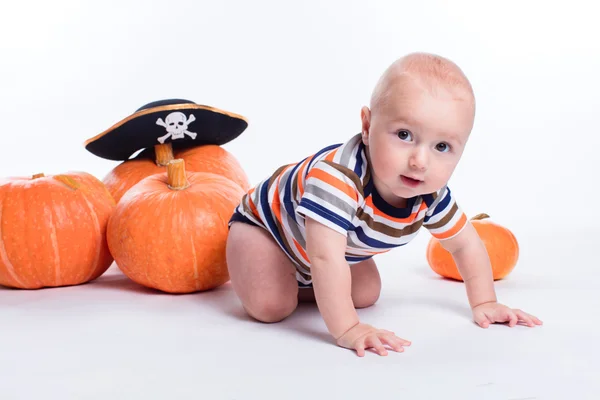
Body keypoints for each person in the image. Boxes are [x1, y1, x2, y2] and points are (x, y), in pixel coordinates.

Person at [226, 52, 542, 357]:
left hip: (321, 252)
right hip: (267, 233)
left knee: (366, 294)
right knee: (272, 306)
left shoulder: (430, 194)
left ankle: (304, 286)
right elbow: (324, 257)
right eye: (404, 135)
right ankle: (276, 280)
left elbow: (466, 245)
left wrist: (485, 302)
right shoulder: (338, 179)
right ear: (367, 126)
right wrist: (348, 328)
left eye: (442, 146)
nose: (420, 161)